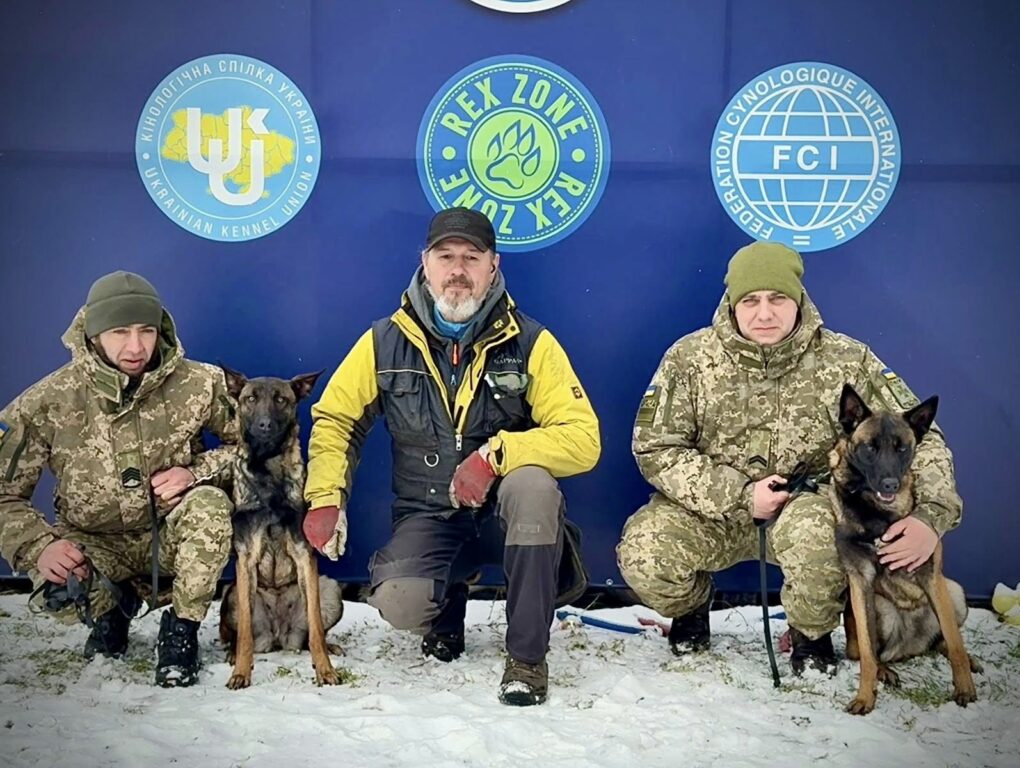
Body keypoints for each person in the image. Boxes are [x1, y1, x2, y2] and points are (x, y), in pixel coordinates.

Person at [616, 242, 962, 674]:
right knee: (646, 554)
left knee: (827, 542)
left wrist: (931, 518)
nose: (765, 313)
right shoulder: (689, 360)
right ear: (732, 303)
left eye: (778, 299)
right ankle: (693, 609)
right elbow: (655, 447)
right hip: (712, 510)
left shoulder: (846, 360)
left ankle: (810, 634)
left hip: (806, 508)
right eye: (751, 300)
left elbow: (920, 439)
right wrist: (742, 494)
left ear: (797, 299)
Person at [303, 207, 600, 705]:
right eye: (446, 257)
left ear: (493, 266)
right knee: (400, 602)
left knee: (533, 487)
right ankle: (446, 611)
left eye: (471, 257)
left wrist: (495, 455)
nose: (457, 270)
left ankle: (526, 659)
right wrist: (325, 495)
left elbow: (582, 437)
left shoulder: (531, 343)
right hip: (430, 513)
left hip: (503, 517)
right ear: (425, 263)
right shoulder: (384, 340)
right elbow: (336, 419)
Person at [0, 271, 237, 687]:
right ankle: (111, 611)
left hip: (168, 534)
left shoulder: (201, 384)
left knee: (211, 508)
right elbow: (3, 493)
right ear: (93, 335)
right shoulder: (47, 401)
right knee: (59, 592)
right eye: (119, 332)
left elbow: (256, 449)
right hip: (96, 541)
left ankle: (181, 631)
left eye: (146, 330)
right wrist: (40, 548)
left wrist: (195, 471)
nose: (135, 346)